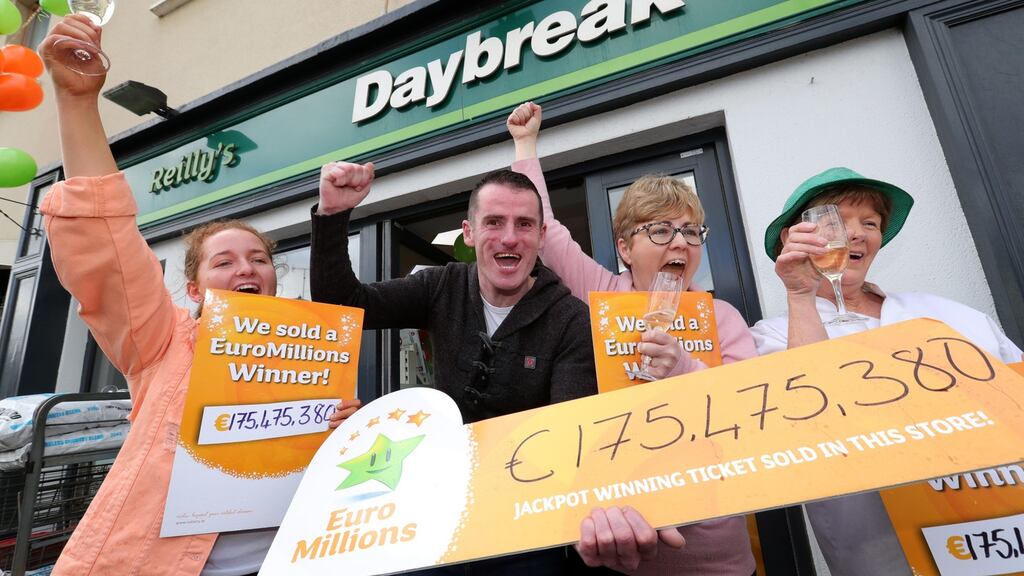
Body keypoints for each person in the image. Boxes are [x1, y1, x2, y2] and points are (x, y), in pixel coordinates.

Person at [38, 16, 364, 576]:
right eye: (225, 261)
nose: (248, 268)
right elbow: (102, 241)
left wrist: (344, 428)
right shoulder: (163, 340)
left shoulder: (311, 352)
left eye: (259, 259)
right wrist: (76, 103)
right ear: (193, 287)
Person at [310, 161, 599, 573]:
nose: (510, 238)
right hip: (436, 512)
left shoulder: (571, 319)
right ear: (469, 232)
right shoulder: (441, 285)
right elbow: (345, 306)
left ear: (540, 235)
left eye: (524, 224)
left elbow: (569, 439)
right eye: (494, 222)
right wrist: (333, 215)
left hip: (526, 523)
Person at [508, 102, 757, 575]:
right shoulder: (603, 295)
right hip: (621, 550)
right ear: (625, 247)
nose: (679, 242)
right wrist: (526, 145)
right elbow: (550, 235)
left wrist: (684, 368)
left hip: (716, 556)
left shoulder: (721, 317)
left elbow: (753, 414)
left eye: (690, 231)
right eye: (660, 230)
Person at [751, 166, 1023, 576]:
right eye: (835, 222)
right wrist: (800, 294)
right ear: (795, 238)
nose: (856, 233)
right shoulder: (771, 337)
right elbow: (805, 412)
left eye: (870, 223)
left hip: (1000, 532)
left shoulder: (951, 314)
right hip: (879, 552)